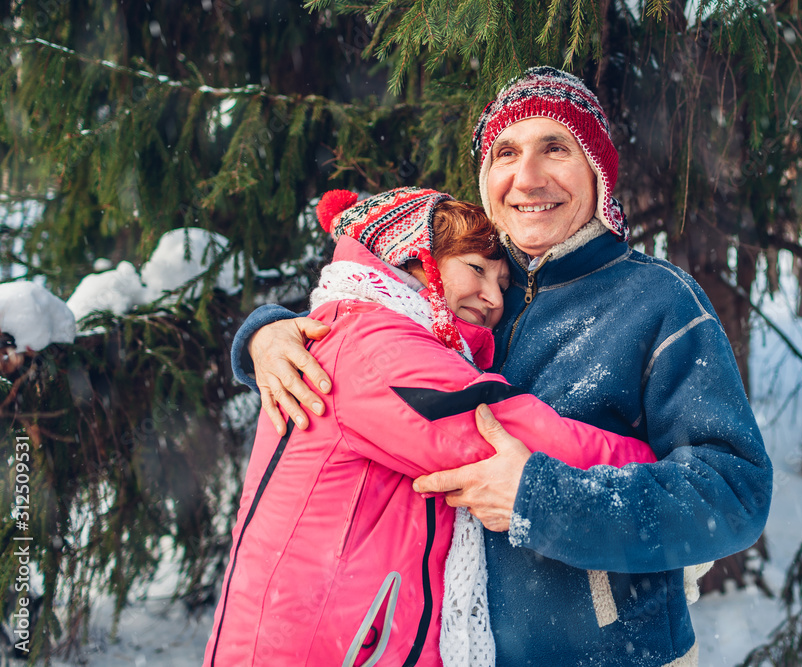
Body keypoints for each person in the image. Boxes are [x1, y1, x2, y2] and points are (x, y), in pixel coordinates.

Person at [233, 68, 772, 666]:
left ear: (597, 172)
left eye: (556, 148)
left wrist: (546, 499)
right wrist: (270, 331)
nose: (529, 177)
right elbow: (372, 323)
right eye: (507, 153)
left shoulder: (660, 301)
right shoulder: (466, 286)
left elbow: (733, 492)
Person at [205, 186, 658, 666]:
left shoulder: (362, 325)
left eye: (502, 283)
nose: (491, 298)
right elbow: (500, 432)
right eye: (476, 269)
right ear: (412, 258)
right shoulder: (376, 348)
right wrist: (656, 465)